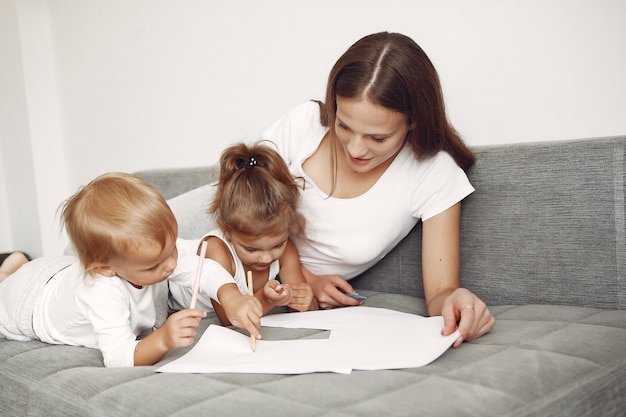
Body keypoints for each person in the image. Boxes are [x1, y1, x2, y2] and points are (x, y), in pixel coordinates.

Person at [262, 31, 495, 347]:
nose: (355, 149)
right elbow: (234, 207)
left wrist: (461, 303)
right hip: (206, 240)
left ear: (413, 121)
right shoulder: (304, 124)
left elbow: (440, 295)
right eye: (344, 126)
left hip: (249, 287)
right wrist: (304, 280)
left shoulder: (432, 173)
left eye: (377, 138)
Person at [0, 172, 262, 367]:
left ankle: (16, 264)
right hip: (25, 304)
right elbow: (117, 357)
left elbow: (203, 270)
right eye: (155, 265)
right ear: (106, 267)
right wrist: (163, 340)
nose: (171, 264)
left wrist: (232, 297)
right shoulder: (101, 290)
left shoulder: (153, 252)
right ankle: (10, 271)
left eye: (172, 250)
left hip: (58, 271)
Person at [169, 142, 317, 324]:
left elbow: (304, 312)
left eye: (278, 245)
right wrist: (267, 299)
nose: (266, 258)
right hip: (165, 291)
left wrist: (304, 301)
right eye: (251, 249)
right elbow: (230, 319)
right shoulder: (216, 251)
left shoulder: (286, 250)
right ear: (226, 230)